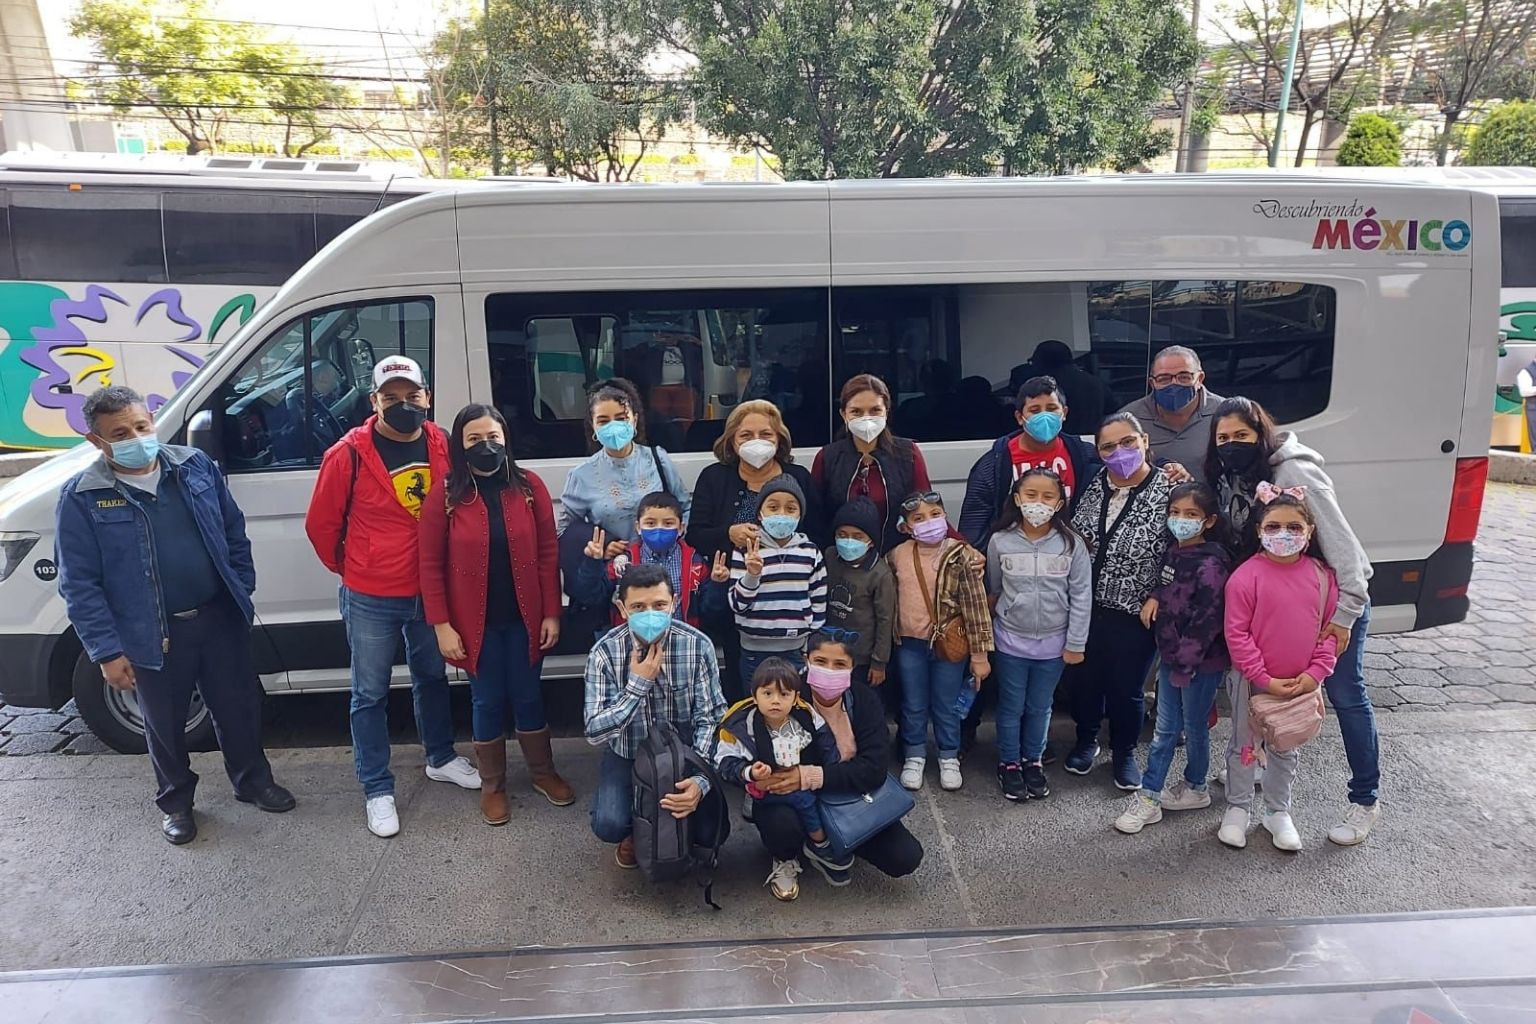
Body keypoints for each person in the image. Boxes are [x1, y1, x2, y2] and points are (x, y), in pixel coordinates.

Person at [55, 386, 295, 845]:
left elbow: (231, 528)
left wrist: (240, 584)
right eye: (120, 433)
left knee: (238, 708)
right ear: (97, 441)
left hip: (218, 616)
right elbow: (79, 583)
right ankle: (177, 803)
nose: (136, 437)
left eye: (142, 426)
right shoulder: (82, 497)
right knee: (164, 725)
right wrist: (106, 651)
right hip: (151, 634)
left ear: (153, 421)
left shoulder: (193, 467)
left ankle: (253, 781)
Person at [305, 355, 482, 839]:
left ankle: (441, 757)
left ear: (426, 396)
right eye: (391, 397)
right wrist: (358, 565)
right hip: (372, 594)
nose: (403, 405)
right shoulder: (348, 454)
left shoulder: (443, 443)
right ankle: (377, 787)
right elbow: (321, 527)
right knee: (369, 693)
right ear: (374, 401)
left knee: (431, 677)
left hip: (431, 591)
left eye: (412, 396)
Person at [1206, 396, 1382, 847]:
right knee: (1265, 698)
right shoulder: (1239, 478)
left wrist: (1344, 619)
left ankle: (1364, 800)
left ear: (1261, 435)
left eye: (1241, 436)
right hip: (1281, 607)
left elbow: (1348, 557)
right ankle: (1251, 778)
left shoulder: (1294, 474)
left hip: (1332, 605)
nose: (1231, 445)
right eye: (1223, 438)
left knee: (1345, 694)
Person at [418, 404, 567, 827]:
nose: (486, 446)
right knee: (486, 699)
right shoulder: (445, 495)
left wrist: (552, 613)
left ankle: (542, 772)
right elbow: (429, 565)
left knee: (528, 695)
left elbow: (547, 554)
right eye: (474, 440)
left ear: (505, 439)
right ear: (459, 447)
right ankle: (493, 785)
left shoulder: (529, 487)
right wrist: (442, 625)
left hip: (525, 617)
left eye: (493, 438)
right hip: (473, 623)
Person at [740, 632, 925, 898]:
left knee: (905, 857)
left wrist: (809, 776)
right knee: (780, 823)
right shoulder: (786, 695)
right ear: (806, 660)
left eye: (839, 665)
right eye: (820, 661)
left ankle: (842, 840)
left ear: (853, 667)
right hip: (792, 797)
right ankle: (786, 856)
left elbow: (874, 769)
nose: (829, 670)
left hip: (848, 796)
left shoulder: (863, 700)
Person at [1219, 486, 1340, 852]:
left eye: (1292, 527)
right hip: (1250, 682)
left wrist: (1315, 673)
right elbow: (1236, 634)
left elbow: (1331, 632)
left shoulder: (1322, 577)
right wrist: (1261, 677)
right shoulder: (1245, 577)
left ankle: (1277, 811)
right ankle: (1238, 806)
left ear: (1309, 531)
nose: (1282, 535)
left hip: (1302, 684)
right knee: (1243, 744)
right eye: (1272, 527)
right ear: (1259, 531)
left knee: (1286, 746)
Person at [583, 563, 728, 869]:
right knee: (609, 823)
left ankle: (679, 834)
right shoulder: (604, 652)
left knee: (712, 831)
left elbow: (712, 718)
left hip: (684, 753)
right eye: (639, 606)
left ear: (674, 603)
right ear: (622, 608)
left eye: (659, 605)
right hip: (628, 753)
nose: (650, 614)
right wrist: (637, 686)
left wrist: (700, 781)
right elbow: (594, 731)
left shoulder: (697, 645)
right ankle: (636, 833)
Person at [1114, 482, 1232, 835]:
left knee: (1176, 729)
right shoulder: (1174, 552)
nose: (1181, 521)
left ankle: (1153, 796)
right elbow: (1168, 587)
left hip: (1195, 663)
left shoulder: (1211, 563)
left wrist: (1185, 663)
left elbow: (1207, 619)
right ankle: (1193, 785)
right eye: (1175, 513)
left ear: (1208, 520)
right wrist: (1153, 597)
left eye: (1191, 515)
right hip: (1171, 656)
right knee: (1180, 726)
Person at [1066, 412, 1175, 790]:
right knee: (1085, 679)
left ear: (1145, 441)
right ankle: (1086, 740)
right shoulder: (1094, 483)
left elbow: (1183, 550)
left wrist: (1160, 592)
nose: (1119, 452)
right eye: (1108, 446)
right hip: (1085, 605)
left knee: (1126, 686)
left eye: (1127, 442)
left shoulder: (1170, 490)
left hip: (1136, 610)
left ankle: (1124, 751)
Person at [986, 468, 1091, 803]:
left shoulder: (1071, 545)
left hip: (1054, 644)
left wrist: (1075, 643)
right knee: (1012, 704)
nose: (1038, 503)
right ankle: (1009, 763)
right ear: (1017, 499)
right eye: (1030, 495)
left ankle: (1033, 760)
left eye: (1047, 496)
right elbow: (995, 589)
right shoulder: (1000, 540)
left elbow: (1081, 596)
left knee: (1040, 705)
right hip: (1010, 642)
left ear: (1060, 502)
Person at [891, 490, 993, 792]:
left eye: (935, 515)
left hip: (951, 645)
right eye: (918, 518)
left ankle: (949, 756)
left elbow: (976, 607)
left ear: (945, 517)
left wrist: (980, 654)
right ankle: (915, 755)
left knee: (947, 704)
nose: (929, 523)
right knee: (913, 703)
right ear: (906, 527)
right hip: (910, 644)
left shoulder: (961, 554)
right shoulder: (896, 555)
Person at [714, 658, 840, 900]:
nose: (775, 700)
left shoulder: (806, 715)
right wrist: (749, 772)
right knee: (787, 819)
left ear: (795, 697)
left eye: (784, 694)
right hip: (764, 792)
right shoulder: (741, 723)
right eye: (768, 693)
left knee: (806, 800)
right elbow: (724, 762)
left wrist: (823, 776)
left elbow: (827, 748)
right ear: (754, 695)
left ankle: (821, 841)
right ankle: (810, 847)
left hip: (806, 783)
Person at [958, 376, 1103, 549]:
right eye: (1035, 410)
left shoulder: (1085, 455)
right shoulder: (994, 464)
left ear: (1063, 413)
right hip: (1010, 561)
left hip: (1067, 558)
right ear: (1020, 417)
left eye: (1051, 408)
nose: (1044, 416)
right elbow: (974, 523)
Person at [812, 374, 936, 554]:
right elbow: (816, 519)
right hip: (843, 566)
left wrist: (961, 546)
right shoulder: (827, 458)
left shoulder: (908, 453)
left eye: (875, 410)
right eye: (856, 412)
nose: (866, 418)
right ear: (843, 414)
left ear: (886, 411)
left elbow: (926, 510)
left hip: (897, 559)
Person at [687, 399, 822, 562]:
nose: (756, 441)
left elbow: (819, 534)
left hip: (790, 578)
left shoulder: (799, 478)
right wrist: (728, 534)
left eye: (766, 434)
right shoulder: (713, 477)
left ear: (779, 439)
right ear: (731, 441)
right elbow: (695, 536)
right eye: (746, 435)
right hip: (729, 579)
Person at [558, 377, 691, 541]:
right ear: (593, 426)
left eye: (621, 418)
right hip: (610, 565)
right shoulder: (581, 475)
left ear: (634, 421)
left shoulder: (658, 460)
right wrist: (601, 544)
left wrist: (672, 536)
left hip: (663, 564)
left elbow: (686, 509)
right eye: (603, 421)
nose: (613, 427)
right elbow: (565, 532)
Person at [575, 491, 725, 630]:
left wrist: (717, 585)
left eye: (668, 523)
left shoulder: (696, 564)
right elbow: (592, 597)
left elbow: (711, 612)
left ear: (681, 528)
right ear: (638, 527)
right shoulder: (623, 563)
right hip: (631, 643)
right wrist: (592, 562)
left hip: (682, 644)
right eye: (650, 523)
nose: (659, 529)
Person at [727, 474, 828, 681]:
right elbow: (736, 604)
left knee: (794, 705)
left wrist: (811, 643)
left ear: (800, 515)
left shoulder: (810, 552)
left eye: (791, 509)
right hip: (753, 651)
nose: (782, 514)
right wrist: (751, 576)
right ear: (760, 514)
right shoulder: (745, 550)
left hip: (795, 650)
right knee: (756, 704)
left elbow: (818, 600)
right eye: (773, 507)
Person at [1119, 346, 1225, 485]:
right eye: (1164, 379)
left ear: (1199, 379)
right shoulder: (1129, 420)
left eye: (1184, 377)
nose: (1174, 384)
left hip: (1214, 503)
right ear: (1152, 383)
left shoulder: (1225, 413)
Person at [822, 498, 896, 691]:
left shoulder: (880, 574)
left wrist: (879, 662)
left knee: (861, 700)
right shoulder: (830, 557)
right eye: (842, 535)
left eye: (857, 536)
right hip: (830, 649)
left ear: (870, 541)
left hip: (862, 657)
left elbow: (885, 620)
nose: (848, 541)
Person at [1023, 340, 1113, 435]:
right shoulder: (1096, 382)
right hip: (1092, 442)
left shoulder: (1043, 387)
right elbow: (1112, 412)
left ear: (1042, 362)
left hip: (1058, 443)